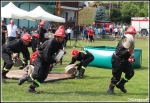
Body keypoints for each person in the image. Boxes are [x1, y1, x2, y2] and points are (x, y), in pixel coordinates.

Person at [18, 28, 65, 94]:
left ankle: (32, 88)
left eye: (63, 37)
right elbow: (46, 56)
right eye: (62, 37)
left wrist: (61, 52)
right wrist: (54, 61)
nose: (63, 39)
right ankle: (26, 77)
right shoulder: (51, 43)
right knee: (37, 74)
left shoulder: (59, 42)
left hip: (47, 59)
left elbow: (58, 50)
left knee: (44, 76)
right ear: (57, 37)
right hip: (41, 58)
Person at [107, 26, 136, 94]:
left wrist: (130, 56)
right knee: (116, 77)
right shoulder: (122, 42)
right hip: (118, 60)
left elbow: (129, 53)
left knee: (130, 73)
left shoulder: (130, 42)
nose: (133, 35)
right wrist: (128, 51)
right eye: (131, 33)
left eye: (133, 33)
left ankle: (121, 84)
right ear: (127, 34)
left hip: (124, 60)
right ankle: (110, 89)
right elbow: (120, 53)